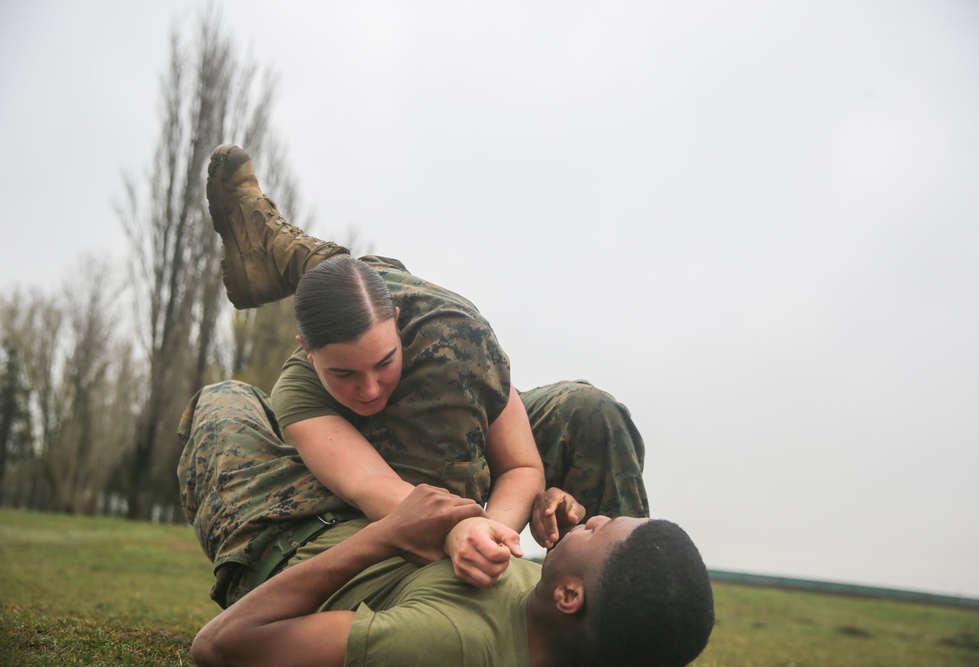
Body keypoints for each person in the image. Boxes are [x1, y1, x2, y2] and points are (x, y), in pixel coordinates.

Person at [181, 144, 651, 606]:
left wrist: (496, 532)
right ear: (307, 353)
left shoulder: (452, 339)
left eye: (384, 362)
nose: (368, 388)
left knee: (591, 412)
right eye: (344, 373)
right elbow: (377, 490)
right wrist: (462, 532)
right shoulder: (298, 394)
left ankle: (629, 610)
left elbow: (521, 463)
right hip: (387, 484)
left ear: (400, 320)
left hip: (457, 398)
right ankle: (291, 257)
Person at [190, 484, 715, 667]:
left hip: (272, 538)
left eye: (601, 531)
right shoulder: (547, 618)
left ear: (570, 597)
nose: (594, 516)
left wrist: (388, 533)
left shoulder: (448, 644)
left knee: (222, 401)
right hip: (335, 513)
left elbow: (219, 646)